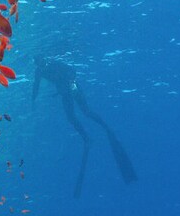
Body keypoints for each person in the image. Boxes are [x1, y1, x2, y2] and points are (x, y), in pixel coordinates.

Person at [33, 57, 137, 198]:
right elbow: (36, 85)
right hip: (65, 92)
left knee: (86, 112)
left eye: (42, 64)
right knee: (71, 118)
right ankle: (86, 138)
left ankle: (104, 127)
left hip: (72, 88)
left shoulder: (53, 63)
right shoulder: (39, 71)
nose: (42, 66)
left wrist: (72, 82)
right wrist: (33, 99)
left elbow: (72, 70)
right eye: (40, 65)